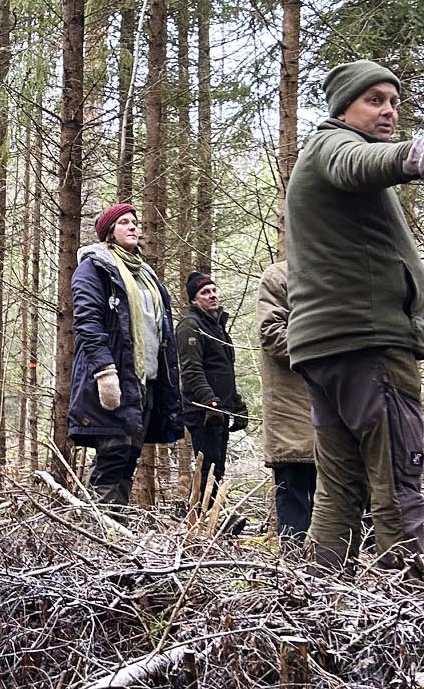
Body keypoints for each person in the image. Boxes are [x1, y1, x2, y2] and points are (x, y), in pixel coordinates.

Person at [285, 59, 424, 569]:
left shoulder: (324, 155)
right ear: (343, 106)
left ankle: (315, 605)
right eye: (374, 100)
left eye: (394, 101)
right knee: (397, 477)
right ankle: (406, 610)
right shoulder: (334, 146)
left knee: (339, 488)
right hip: (366, 343)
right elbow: (359, 164)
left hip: (326, 348)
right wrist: (418, 154)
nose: (388, 110)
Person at [68, 204, 184, 509]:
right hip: (109, 378)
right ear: (109, 232)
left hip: (142, 382)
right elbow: (87, 322)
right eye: (123, 222)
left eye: (134, 222)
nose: (133, 227)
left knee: (129, 455)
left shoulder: (145, 275)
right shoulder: (94, 267)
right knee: (113, 454)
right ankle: (100, 531)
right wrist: (105, 372)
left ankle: (114, 529)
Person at [176, 271, 246, 511]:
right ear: (195, 300)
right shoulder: (190, 326)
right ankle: (199, 517)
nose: (213, 295)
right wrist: (210, 402)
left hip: (220, 410)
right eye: (205, 292)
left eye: (214, 290)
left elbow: (224, 371)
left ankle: (212, 516)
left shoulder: (218, 328)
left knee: (218, 466)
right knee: (207, 466)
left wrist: (236, 405)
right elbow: (191, 370)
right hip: (203, 411)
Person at [256, 260, 316, 541]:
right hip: (293, 410)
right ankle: (294, 575)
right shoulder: (279, 275)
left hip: (339, 411)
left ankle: (336, 574)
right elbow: (271, 334)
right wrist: (326, 346)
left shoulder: (340, 270)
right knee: (296, 494)